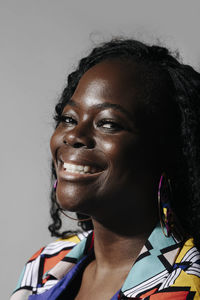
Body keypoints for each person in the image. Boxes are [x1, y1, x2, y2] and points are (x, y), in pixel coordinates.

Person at [11, 38, 200, 300]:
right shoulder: (45, 264)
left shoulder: (185, 284)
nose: (74, 135)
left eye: (108, 123)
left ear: (166, 153)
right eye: (69, 119)